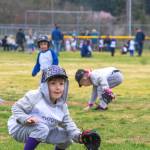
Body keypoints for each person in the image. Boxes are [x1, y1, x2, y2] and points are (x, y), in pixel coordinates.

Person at [8, 65, 100, 150]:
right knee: (42, 128)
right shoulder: (35, 96)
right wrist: (26, 118)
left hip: (43, 129)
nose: (58, 87)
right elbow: (16, 108)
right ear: (45, 85)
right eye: (53, 83)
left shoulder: (62, 105)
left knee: (67, 137)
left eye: (61, 84)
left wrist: (79, 136)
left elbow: (69, 124)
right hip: (19, 127)